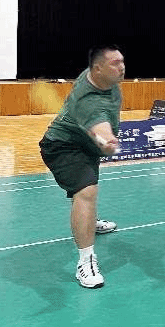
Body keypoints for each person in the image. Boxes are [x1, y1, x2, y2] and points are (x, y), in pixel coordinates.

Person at [38, 45, 124, 289]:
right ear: (98, 68)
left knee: (87, 188)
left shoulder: (102, 80)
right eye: (115, 63)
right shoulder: (87, 99)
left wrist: (103, 142)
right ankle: (86, 262)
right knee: (86, 191)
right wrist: (107, 139)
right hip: (61, 146)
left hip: (86, 146)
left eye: (122, 61)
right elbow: (99, 125)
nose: (122, 67)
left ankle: (88, 222)